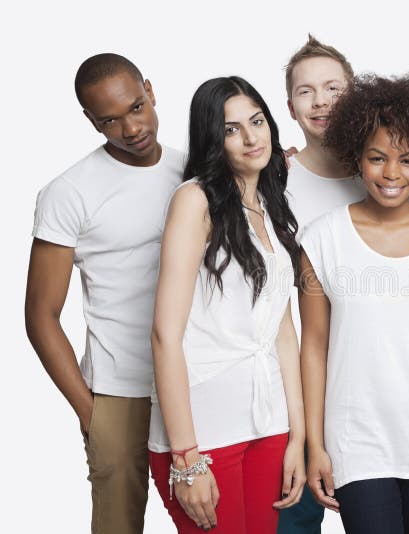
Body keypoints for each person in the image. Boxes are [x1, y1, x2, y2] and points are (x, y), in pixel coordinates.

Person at [300, 73, 409, 534]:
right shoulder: (322, 239)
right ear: (358, 157)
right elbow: (313, 347)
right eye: (378, 158)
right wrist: (317, 445)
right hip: (355, 440)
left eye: (407, 160)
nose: (391, 174)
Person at [25, 53, 183, 534]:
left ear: (151, 91)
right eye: (109, 120)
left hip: (197, 379)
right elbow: (41, 315)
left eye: (136, 107)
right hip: (119, 390)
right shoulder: (68, 192)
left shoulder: (193, 170)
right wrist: (91, 413)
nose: (131, 128)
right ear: (90, 120)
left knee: (210, 517)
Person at [148, 76, 305, 533]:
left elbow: (282, 328)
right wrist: (187, 458)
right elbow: (164, 334)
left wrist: (296, 434)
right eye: (232, 129)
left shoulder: (271, 205)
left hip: (267, 420)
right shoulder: (194, 200)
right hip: (204, 425)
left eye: (257, 121)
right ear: (212, 140)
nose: (251, 136)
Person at [278, 34, 361, 534]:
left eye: (333, 87)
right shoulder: (274, 178)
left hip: (371, 372)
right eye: (306, 91)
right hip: (293, 370)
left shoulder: (391, 171)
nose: (321, 101)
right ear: (289, 106)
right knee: (296, 513)